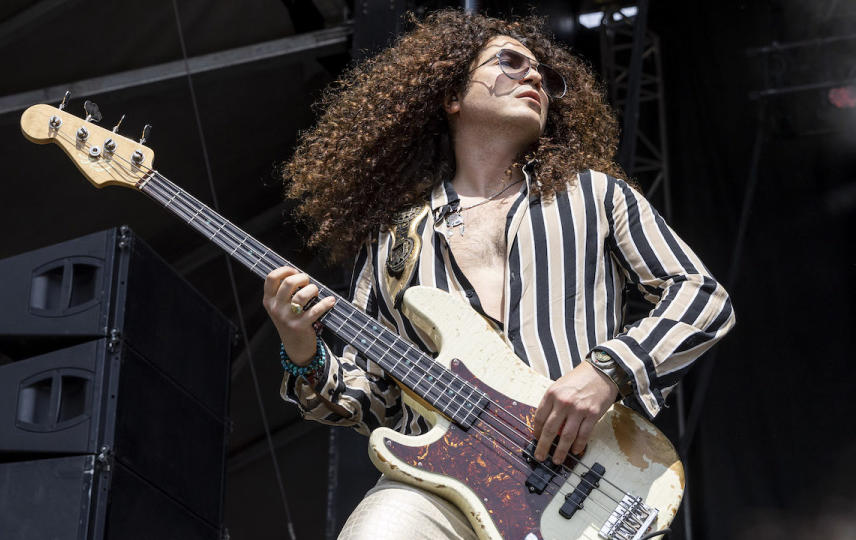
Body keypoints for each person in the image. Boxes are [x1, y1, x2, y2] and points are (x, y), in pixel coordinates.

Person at [262, 9, 734, 539]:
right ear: (452, 96)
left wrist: (606, 372)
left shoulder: (596, 196)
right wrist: (301, 350)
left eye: (543, 74)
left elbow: (701, 297)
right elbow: (373, 397)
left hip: (583, 483)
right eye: (508, 62)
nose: (533, 76)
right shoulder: (395, 240)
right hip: (440, 491)